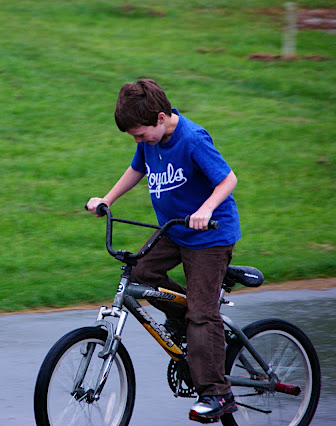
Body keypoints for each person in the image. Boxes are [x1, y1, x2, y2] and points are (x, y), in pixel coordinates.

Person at [86, 79, 241, 423]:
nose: (138, 141)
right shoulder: (149, 141)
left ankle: (217, 393)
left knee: (202, 314)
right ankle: (187, 323)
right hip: (174, 230)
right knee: (140, 273)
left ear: (160, 118)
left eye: (140, 135)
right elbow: (137, 169)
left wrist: (206, 209)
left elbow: (227, 180)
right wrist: (106, 200)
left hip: (209, 237)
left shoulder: (192, 138)